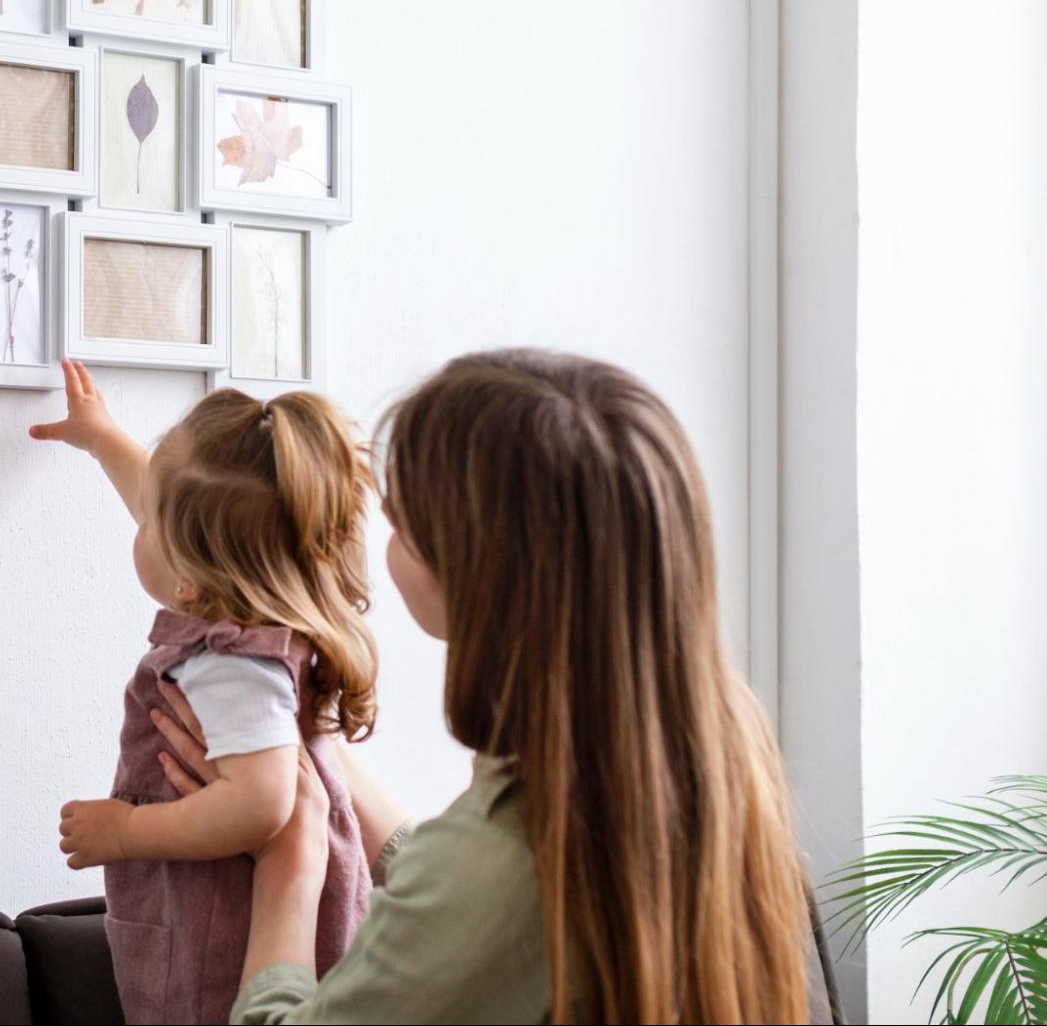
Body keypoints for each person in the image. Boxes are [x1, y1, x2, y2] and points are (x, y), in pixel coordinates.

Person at [152, 349, 819, 1024]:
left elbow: (481, 893)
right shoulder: (719, 743)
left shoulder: (492, 870)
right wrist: (316, 752)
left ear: (475, 578)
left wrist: (288, 865)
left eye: (404, 523)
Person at [30, 360, 380, 1025]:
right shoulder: (255, 604)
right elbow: (168, 507)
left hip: (226, 937)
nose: (140, 521)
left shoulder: (230, 663)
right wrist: (102, 436)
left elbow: (262, 802)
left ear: (190, 577)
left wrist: (127, 830)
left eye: (148, 523)